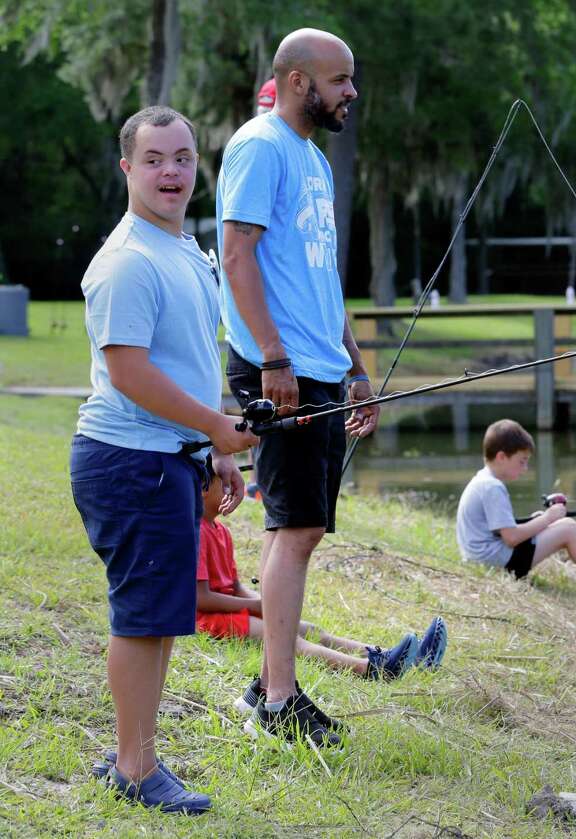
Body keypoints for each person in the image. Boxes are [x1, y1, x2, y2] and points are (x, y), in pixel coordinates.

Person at [71, 106, 258, 813]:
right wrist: (215, 422)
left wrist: (211, 447)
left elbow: (186, 360)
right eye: (154, 159)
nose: (171, 172)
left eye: (182, 157)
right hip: (128, 460)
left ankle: (138, 756)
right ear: (128, 168)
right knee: (141, 617)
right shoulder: (127, 261)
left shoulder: (185, 250)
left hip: (170, 458)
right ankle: (135, 768)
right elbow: (130, 373)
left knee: (160, 613)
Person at [217, 27, 380, 746]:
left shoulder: (313, 159)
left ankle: (270, 685)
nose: (351, 92)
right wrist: (274, 360)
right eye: (340, 80)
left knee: (299, 527)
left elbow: (321, 277)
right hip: (277, 370)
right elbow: (236, 254)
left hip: (317, 367)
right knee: (294, 525)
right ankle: (276, 697)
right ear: (296, 80)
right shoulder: (259, 146)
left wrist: (355, 366)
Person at [191, 460, 448, 698]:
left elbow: (235, 586)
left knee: (310, 629)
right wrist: (255, 607)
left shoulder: (221, 531)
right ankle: (372, 669)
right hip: (210, 619)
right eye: (225, 483)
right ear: (202, 488)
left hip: (233, 609)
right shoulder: (197, 533)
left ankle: (385, 655)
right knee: (287, 640)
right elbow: (200, 599)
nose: (233, 489)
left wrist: (263, 602)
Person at [456, 420, 576, 613]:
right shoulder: (493, 487)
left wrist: (537, 521)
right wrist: (548, 518)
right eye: (521, 461)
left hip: (483, 558)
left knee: (563, 525)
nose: (525, 469)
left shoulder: (482, 480)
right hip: (495, 561)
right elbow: (511, 537)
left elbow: (500, 530)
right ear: (501, 457)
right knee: (569, 529)